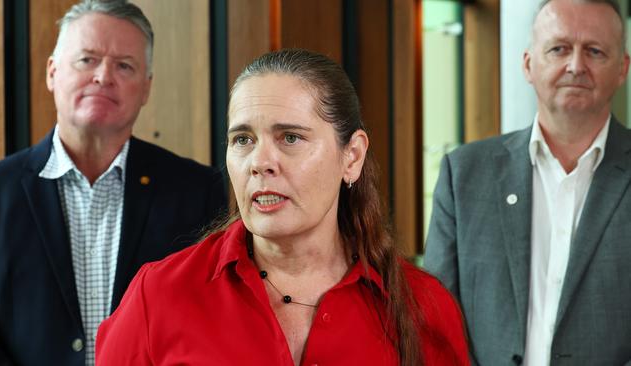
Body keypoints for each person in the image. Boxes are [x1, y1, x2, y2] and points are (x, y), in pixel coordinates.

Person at [95, 48, 469, 365]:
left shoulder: (422, 305)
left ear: (351, 156)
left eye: (290, 137)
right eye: (242, 139)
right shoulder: (158, 294)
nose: (260, 162)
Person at [0, 1, 227, 365]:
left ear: (146, 89)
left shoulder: (197, 191)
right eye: (87, 60)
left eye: (124, 65)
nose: (103, 76)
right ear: (52, 72)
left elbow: (211, 322)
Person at [424, 0, 631, 365]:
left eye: (595, 51)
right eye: (559, 48)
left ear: (622, 69)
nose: (576, 65)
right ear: (528, 64)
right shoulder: (465, 175)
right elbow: (436, 326)